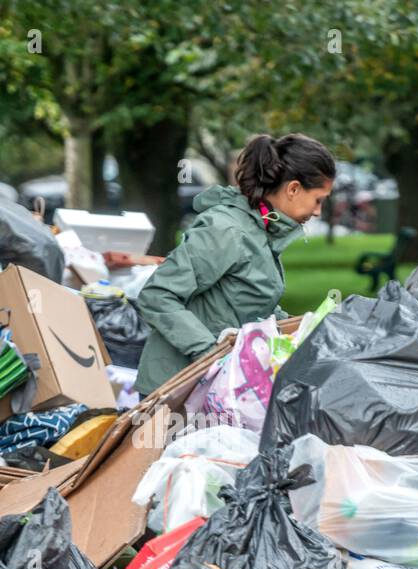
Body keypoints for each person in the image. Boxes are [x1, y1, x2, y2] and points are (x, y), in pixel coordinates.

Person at [134, 133, 335, 395]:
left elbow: (243, 301)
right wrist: (209, 354)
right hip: (176, 392)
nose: (318, 211)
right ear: (293, 189)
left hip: (214, 389)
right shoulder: (226, 229)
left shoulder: (261, 230)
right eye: (318, 199)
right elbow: (157, 296)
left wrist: (303, 328)